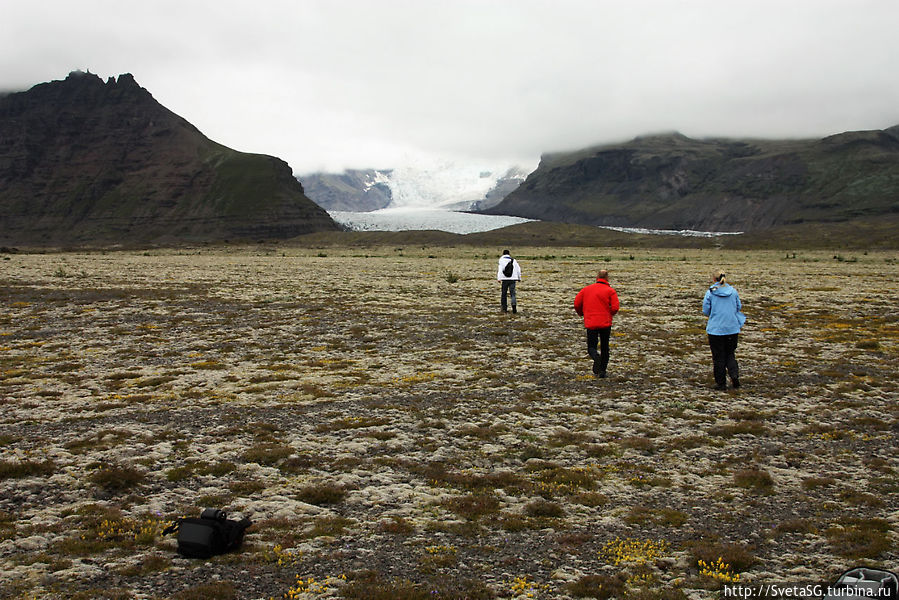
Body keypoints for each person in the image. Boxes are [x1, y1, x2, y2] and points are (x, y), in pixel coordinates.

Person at [702, 270, 746, 390]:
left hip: (716, 330)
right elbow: (738, 307)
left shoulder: (710, 292)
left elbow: (706, 310)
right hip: (732, 328)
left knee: (718, 357)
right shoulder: (733, 291)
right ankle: (734, 375)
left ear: (714, 279)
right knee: (730, 354)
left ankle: (721, 383)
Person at [574, 269, 620, 377]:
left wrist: (582, 313)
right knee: (605, 346)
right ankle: (602, 371)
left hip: (591, 322)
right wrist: (609, 314)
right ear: (607, 278)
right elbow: (615, 307)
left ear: (597, 277)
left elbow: (576, 304)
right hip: (605, 322)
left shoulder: (586, 290)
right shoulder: (610, 291)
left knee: (591, 346)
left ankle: (595, 357)